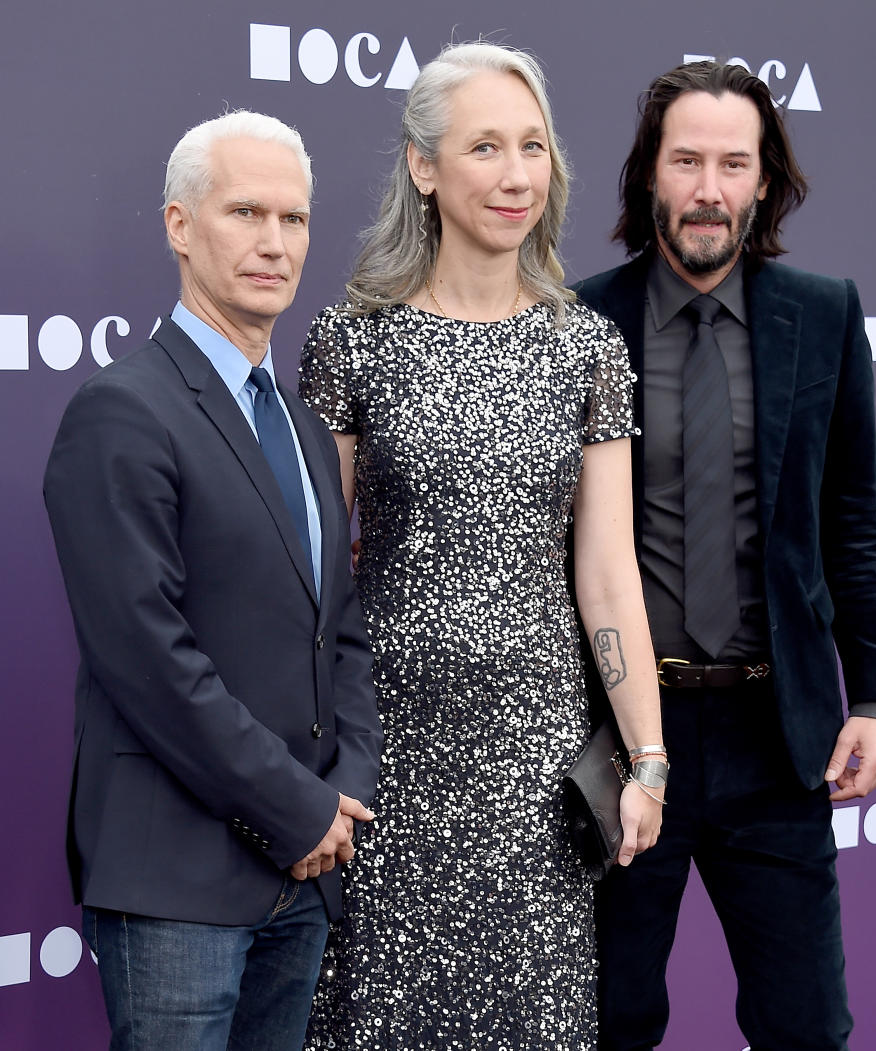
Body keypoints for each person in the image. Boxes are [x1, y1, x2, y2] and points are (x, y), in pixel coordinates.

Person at [298, 42, 663, 1049]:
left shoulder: (587, 348)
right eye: (486, 147)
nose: (516, 175)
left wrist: (649, 754)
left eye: (534, 147)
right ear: (424, 166)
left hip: (538, 767)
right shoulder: (352, 339)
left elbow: (605, 569)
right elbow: (312, 577)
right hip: (386, 754)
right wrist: (306, 760)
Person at [575, 61, 876, 1051]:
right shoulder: (580, 320)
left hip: (778, 734)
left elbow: (853, 513)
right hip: (624, 733)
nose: (708, 188)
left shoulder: (825, 312)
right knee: (609, 1018)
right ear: (650, 178)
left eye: (733, 163)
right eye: (686, 161)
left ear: (765, 182)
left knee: (805, 1022)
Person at [43, 111, 382, 1051]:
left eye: (296, 219)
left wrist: (343, 793)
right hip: (175, 882)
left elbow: (338, 629)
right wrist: (298, 806)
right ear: (179, 226)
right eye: (244, 212)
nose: (276, 243)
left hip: (306, 873)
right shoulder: (122, 411)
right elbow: (149, 658)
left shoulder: (306, 426)